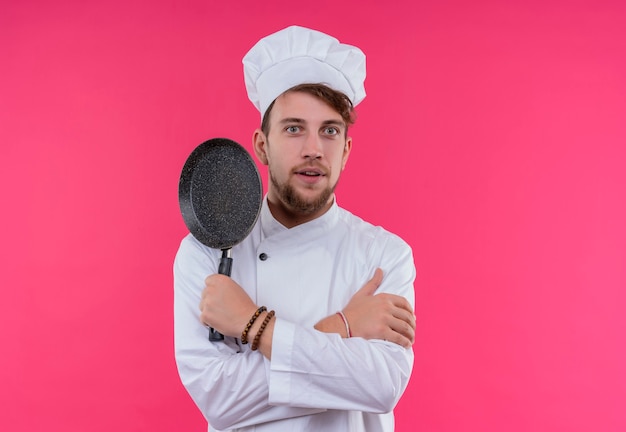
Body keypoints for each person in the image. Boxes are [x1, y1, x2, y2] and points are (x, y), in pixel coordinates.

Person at [174, 25, 417, 432]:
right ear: (262, 145)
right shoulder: (205, 252)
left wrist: (254, 325)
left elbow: (381, 386)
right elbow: (218, 399)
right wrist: (344, 328)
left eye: (330, 130)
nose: (313, 149)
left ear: (346, 149)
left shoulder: (385, 255)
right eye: (293, 128)